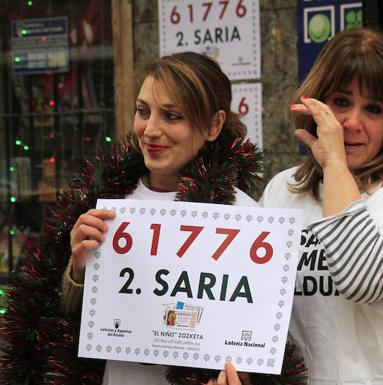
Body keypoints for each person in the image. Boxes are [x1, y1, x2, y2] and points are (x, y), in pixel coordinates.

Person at [0, 52, 302, 385]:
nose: (151, 130)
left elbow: (257, 346)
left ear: (213, 125)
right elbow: (52, 328)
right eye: (143, 112)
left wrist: (239, 376)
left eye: (172, 116)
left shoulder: (244, 219)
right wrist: (78, 270)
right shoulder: (102, 205)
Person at [261, 27, 383, 384]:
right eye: (340, 102)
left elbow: (365, 281)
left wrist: (335, 165)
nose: (352, 123)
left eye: (373, 108)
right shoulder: (284, 189)